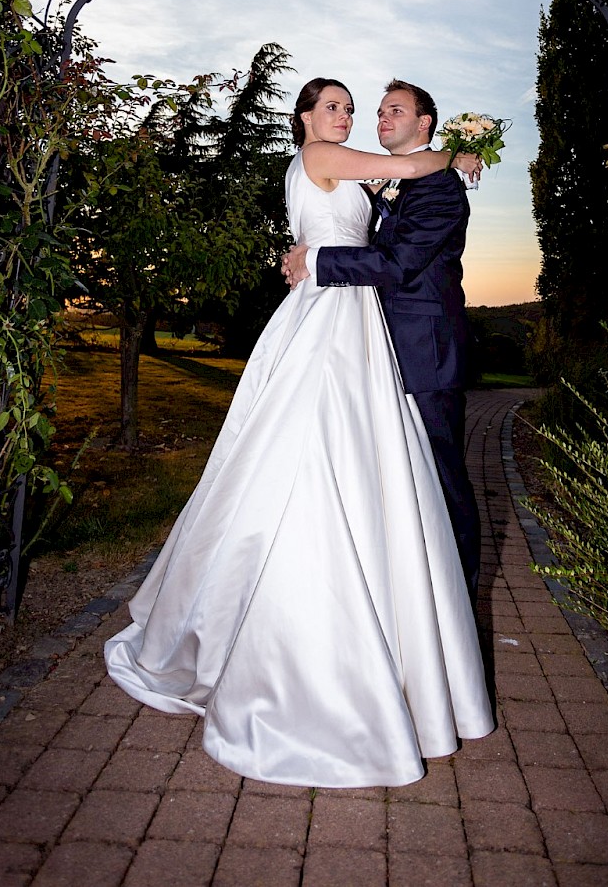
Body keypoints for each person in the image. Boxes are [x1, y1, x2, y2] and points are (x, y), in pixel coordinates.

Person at [105, 78, 494, 788]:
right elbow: (402, 177)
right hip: (334, 321)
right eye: (339, 106)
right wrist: (453, 153)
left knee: (401, 473)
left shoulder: (359, 172)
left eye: (370, 108)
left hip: (369, 328)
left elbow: (390, 241)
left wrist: (454, 159)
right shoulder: (330, 156)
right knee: (321, 453)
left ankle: (430, 610)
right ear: (307, 119)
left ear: (425, 120)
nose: (356, 116)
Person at [282, 80, 481, 601]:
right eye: (374, 111)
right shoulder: (379, 177)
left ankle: (453, 601)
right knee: (385, 472)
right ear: (306, 116)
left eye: (395, 110)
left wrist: (318, 259)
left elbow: (396, 264)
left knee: (442, 482)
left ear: (424, 124)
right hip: (368, 342)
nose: (376, 118)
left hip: (425, 353)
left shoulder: (438, 188)